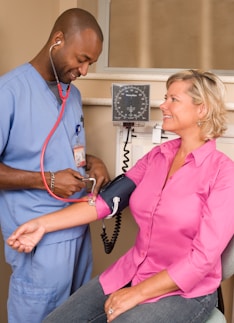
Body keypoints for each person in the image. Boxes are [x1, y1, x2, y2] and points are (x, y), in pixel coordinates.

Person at [7, 69, 234, 323]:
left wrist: (136, 293)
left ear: (201, 110)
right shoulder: (157, 157)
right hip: (131, 270)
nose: (163, 104)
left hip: (186, 290)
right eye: (165, 97)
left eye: (173, 99)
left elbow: (202, 260)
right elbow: (105, 202)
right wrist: (42, 224)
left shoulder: (224, 173)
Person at [0, 8, 110, 323]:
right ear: (58, 40)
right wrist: (47, 179)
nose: (85, 70)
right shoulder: (8, 93)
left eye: (91, 63)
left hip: (77, 231)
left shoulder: (71, 95)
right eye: (82, 59)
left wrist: (94, 161)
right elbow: (48, 170)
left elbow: (62, 150)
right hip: (38, 239)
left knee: (75, 316)